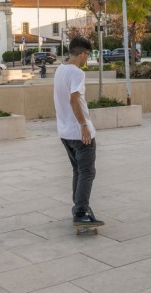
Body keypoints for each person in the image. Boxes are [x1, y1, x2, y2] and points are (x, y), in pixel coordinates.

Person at [53, 36, 104, 227]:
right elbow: (74, 100)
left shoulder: (60, 69)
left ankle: (78, 207)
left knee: (78, 171)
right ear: (82, 53)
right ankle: (81, 211)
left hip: (65, 132)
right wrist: (83, 125)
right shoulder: (76, 73)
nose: (86, 60)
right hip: (79, 132)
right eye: (87, 55)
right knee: (87, 172)